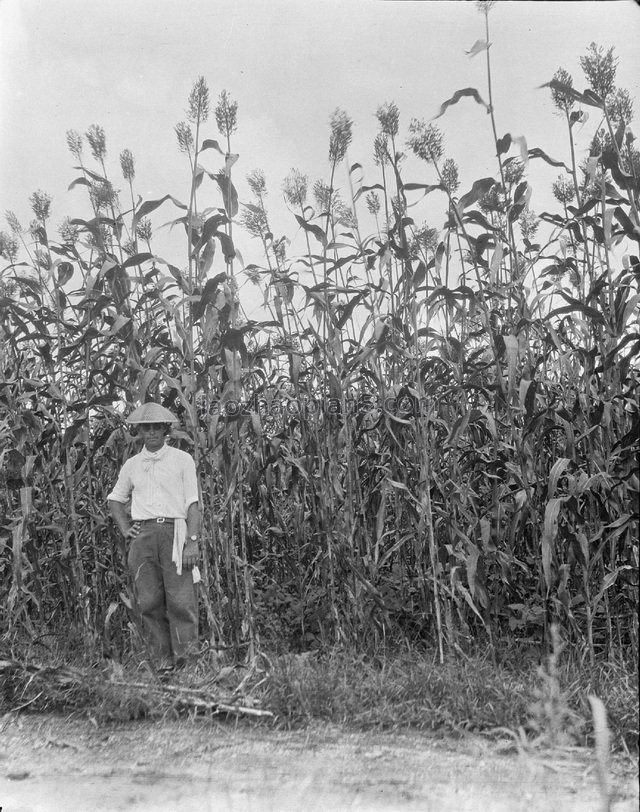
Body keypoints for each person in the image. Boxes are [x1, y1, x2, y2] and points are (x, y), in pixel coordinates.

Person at [107, 403, 201, 671]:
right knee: (149, 602)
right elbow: (115, 500)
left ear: (165, 429)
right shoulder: (132, 465)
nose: (151, 433)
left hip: (174, 533)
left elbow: (193, 504)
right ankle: (162, 665)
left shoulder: (182, 460)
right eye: (145, 428)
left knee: (182, 602)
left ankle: (187, 667)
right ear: (139, 432)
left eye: (156, 427)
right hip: (143, 537)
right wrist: (126, 529)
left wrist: (192, 542)